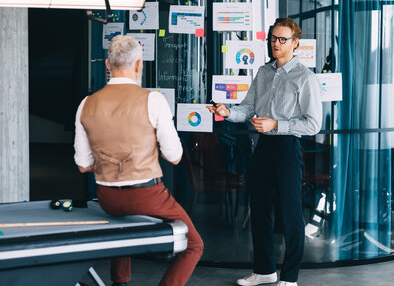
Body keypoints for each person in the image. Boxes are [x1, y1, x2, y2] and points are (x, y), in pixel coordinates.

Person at [74, 35, 203, 286]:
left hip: (107, 198)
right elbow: (174, 156)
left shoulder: (86, 104)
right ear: (139, 65)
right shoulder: (153, 100)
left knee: (124, 225)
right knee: (194, 245)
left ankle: (119, 282)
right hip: (147, 197)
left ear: (108, 66)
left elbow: (83, 164)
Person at [207, 18, 322, 286]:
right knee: (259, 210)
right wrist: (227, 112)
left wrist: (276, 124)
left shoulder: (305, 77)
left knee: (290, 214)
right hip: (263, 148)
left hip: (288, 148)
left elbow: (314, 123)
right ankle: (264, 270)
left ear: (295, 43)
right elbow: (247, 109)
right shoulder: (263, 72)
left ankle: (290, 278)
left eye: (282, 39)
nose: (276, 44)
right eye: (273, 38)